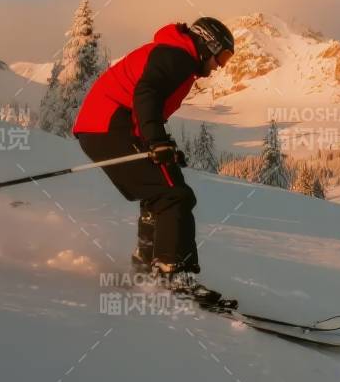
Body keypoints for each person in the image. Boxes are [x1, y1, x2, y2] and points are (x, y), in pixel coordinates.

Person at [72, 16, 235, 305]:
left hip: (103, 126)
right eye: (221, 56)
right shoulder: (177, 56)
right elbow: (145, 94)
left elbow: (149, 102)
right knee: (174, 195)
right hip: (108, 125)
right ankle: (174, 274)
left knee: (159, 191)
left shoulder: (174, 55)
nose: (219, 66)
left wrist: (162, 143)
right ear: (207, 44)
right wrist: (156, 141)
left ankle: (145, 267)